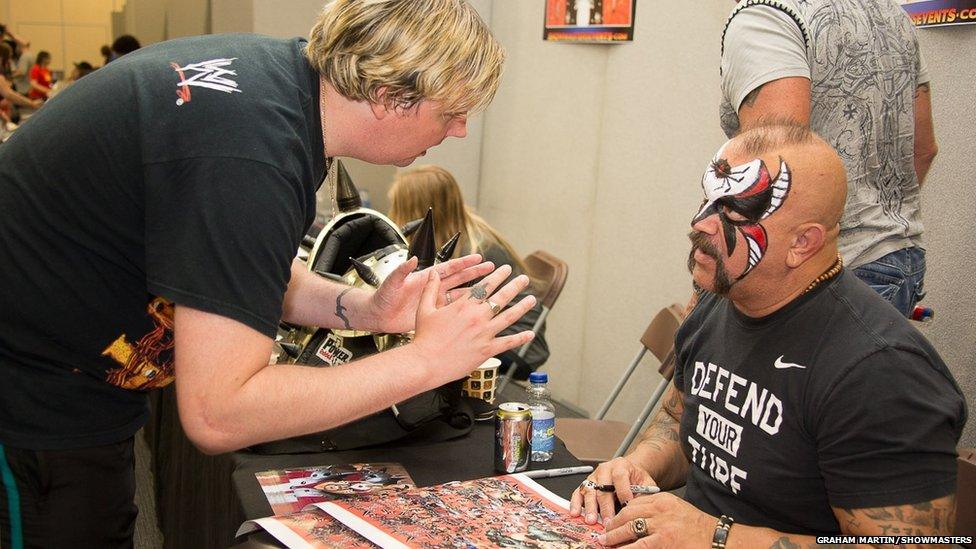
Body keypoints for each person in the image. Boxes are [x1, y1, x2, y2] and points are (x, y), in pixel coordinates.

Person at [0, 1, 525, 547]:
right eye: (451, 111)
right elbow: (219, 415)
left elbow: (240, 266)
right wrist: (424, 361)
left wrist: (361, 309)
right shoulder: (251, 154)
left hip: (75, 375)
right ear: (390, 96)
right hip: (32, 396)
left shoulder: (281, 91)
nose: (461, 130)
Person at [570, 124, 965, 545]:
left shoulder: (881, 371)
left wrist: (715, 537)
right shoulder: (719, 297)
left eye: (733, 214)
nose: (700, 223)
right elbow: (679, 418)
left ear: (802, 244)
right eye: (707, 199)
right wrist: (638, 466)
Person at [718, 0, 936, 318]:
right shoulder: (892, 15)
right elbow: (924, 149)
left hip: (814, 272)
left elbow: (776, 166)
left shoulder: (765, 17)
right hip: (898, 260)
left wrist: (709, 287)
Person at [388, 165, 550, 378]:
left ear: (415, 213)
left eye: (396, 208)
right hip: (505, 338)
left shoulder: (473, 254)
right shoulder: (466, 235)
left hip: (515, 352)